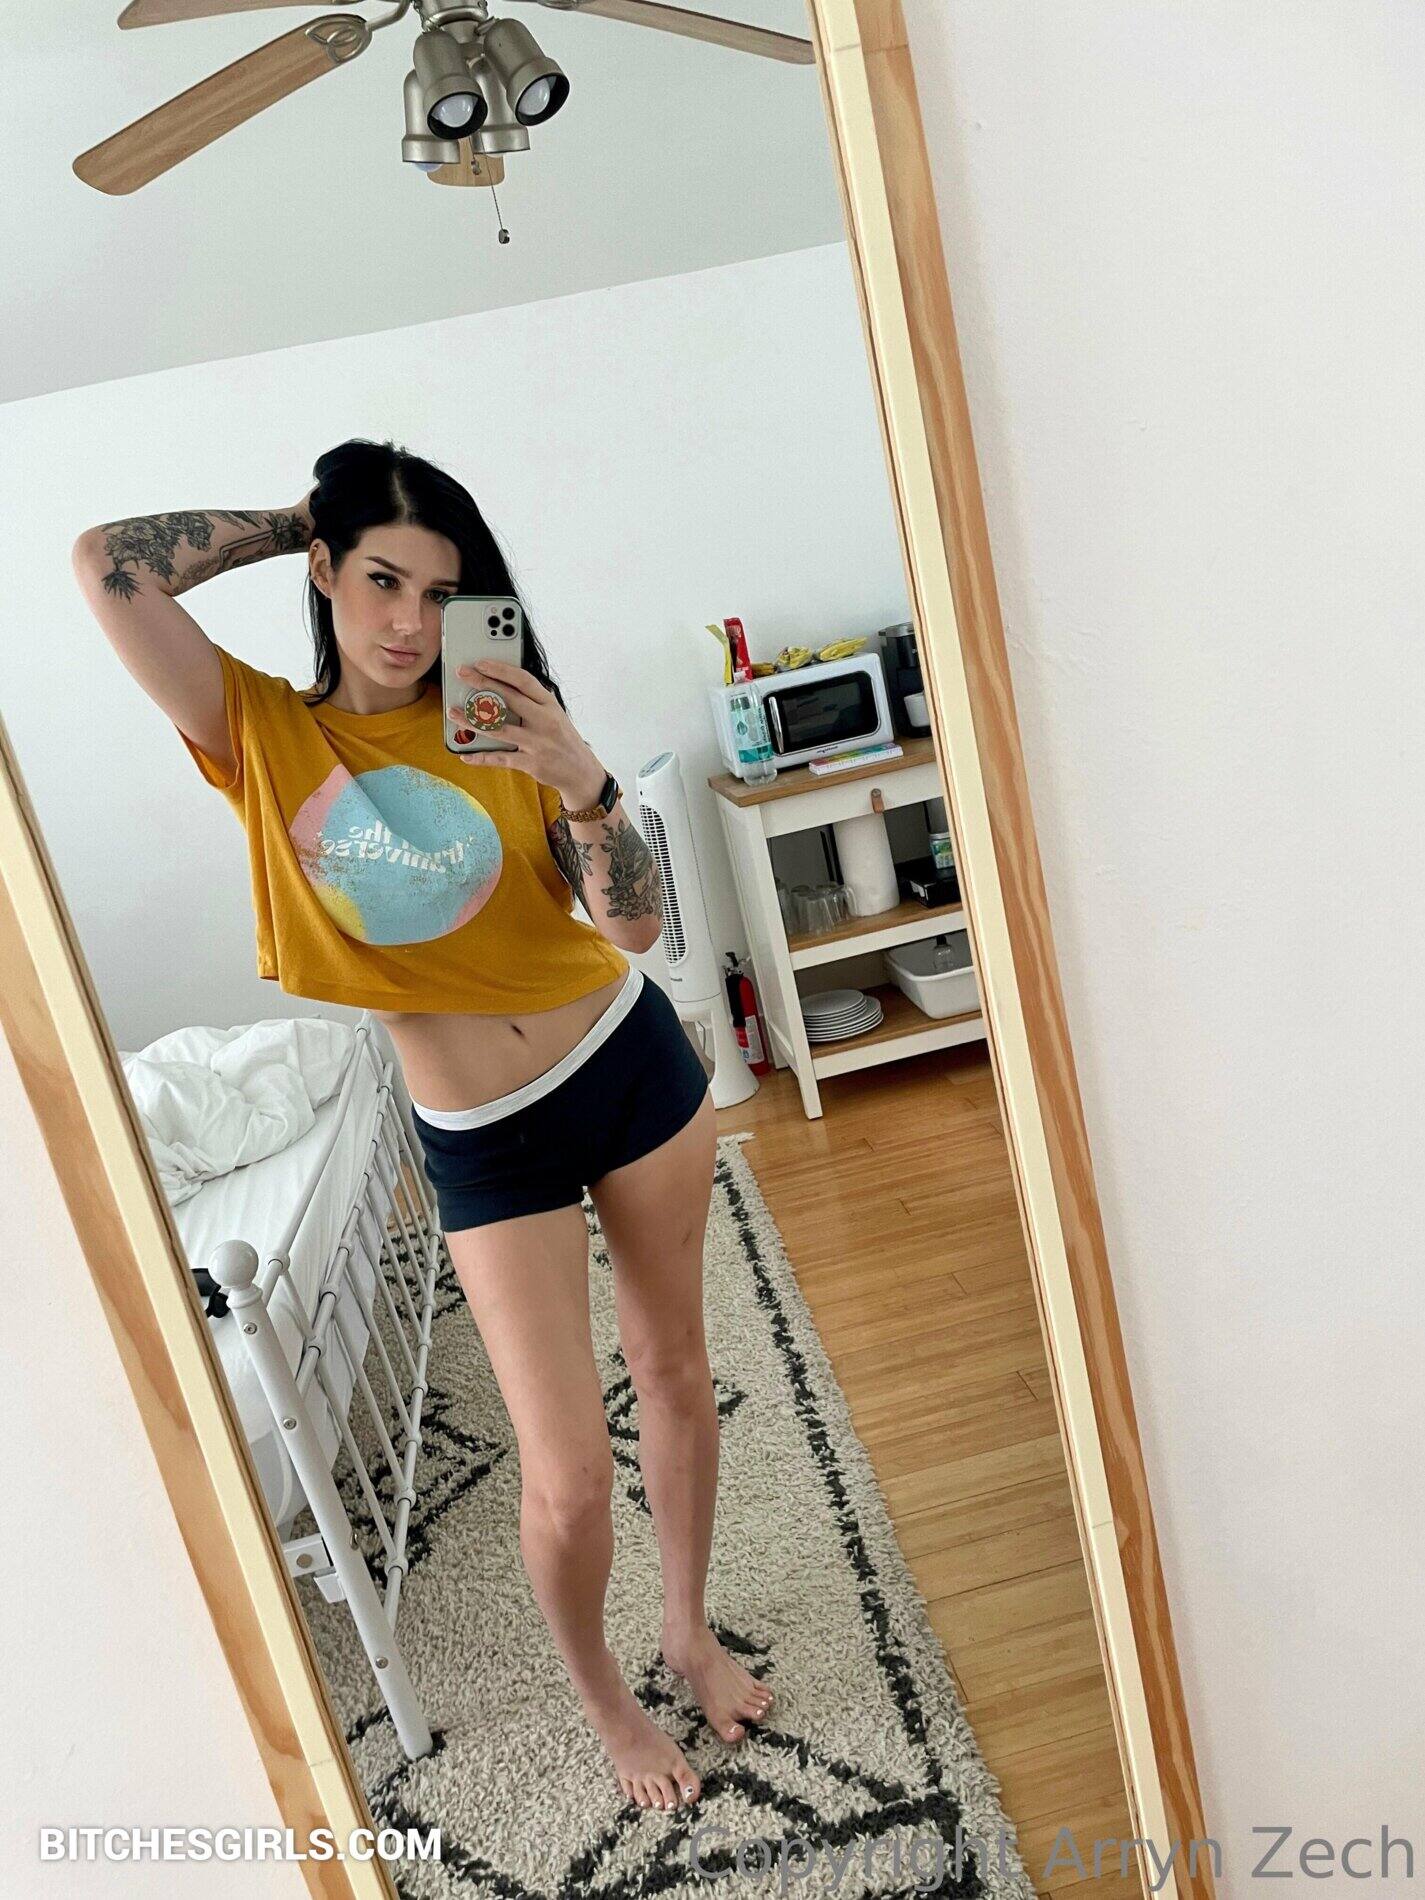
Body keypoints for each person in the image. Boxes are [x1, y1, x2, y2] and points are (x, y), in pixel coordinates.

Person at [70, 436, 772, 1813]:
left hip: (627, 1065)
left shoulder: (497, 715)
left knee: (675, 1369)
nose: (407, 621)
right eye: (380, 579)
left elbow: (633, 928)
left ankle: (688, 1632)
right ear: (326, 572)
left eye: (440, 593)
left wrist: (581, 779)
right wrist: (299, 516)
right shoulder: (261, 732)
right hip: (486, 1136)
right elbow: (106, 565)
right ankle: (608, 1704)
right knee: (567, 1478)